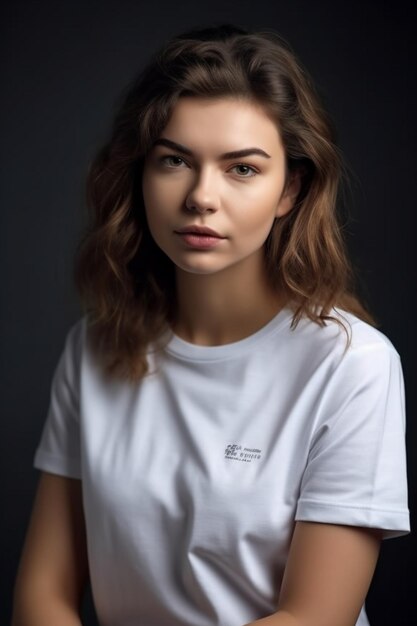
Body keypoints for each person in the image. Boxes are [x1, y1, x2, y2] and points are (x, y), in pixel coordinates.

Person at [11, 23, 409, 626]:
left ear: (290, 190)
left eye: (241, 169)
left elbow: (312, 618)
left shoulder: (352, 365)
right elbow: (44, 594)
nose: (201, 196)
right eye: (174, 160)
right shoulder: (94, 347)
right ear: (141, 174)